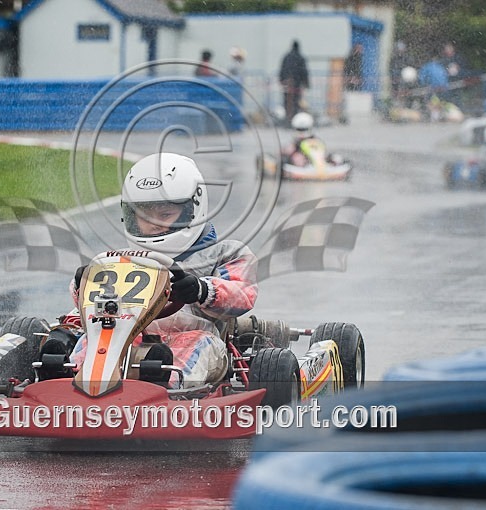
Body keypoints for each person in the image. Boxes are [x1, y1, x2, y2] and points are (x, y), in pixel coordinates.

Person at [62, 153, 259, 388]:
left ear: (192, 210)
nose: (154, 223)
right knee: (93, 340)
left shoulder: (225, 253)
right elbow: (95, 307)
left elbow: (242, 292)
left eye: (165, 214)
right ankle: (64, 377)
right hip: (127, 337)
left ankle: (165, 385)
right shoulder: (123, 258)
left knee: (198, 345)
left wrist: (202, 290)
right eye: (144, 215)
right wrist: (84, 284)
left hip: (195, 337)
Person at [279, 40, 310, 124]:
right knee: (296, 104)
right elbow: (304, 71)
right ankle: (294, 119)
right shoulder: (300, 57)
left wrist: (282, 80)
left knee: (287, 103)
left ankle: (288, 119)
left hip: (287, 85)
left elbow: (282, 69)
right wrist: (306, 83)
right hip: (297, 85)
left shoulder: (286, 57)